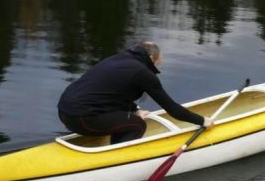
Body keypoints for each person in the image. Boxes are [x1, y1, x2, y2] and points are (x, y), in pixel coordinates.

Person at [57, 41, 214, 144]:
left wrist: (135, 109)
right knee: (137, 125)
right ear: (152, 57)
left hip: (65, 112)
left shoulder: (119, 60)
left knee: (132, 117)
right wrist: (202, 121)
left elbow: (113, 92)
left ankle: (113, 145)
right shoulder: (142, 73)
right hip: (82, 118)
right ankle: (116, 159)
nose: (160, 62)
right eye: (159, 59)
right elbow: (172, 109)